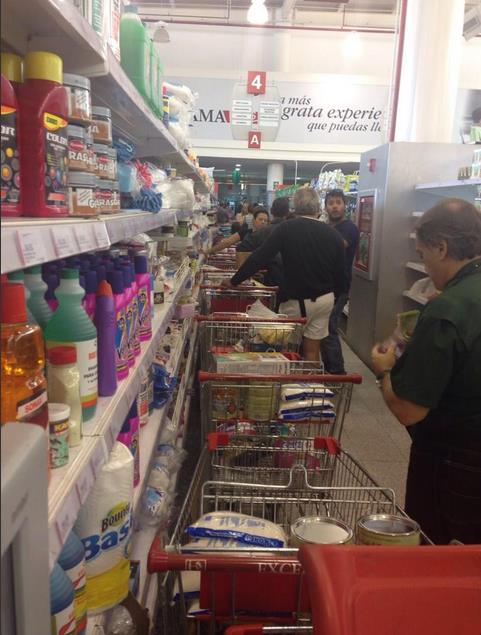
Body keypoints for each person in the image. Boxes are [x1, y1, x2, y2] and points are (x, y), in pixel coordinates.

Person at [371, 198, 481, 544]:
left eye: (423, 255)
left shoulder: (448, 310)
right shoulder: (456, 299)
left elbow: (408, 409)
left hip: (454, 467)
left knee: (439, 553)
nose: (426, 265)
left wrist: (385, 371)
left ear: (442, 247)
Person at [226, 188, 345, 362]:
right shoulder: (333, 235)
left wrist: (234, 281)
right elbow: (341, 274)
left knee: (287, 350)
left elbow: (260, 257)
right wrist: (335, 297)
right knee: (312, 350)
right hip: (324, 300)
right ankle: (309, 385)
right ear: (319, 207)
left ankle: (288, 385)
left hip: (295, 300)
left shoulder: (286, 229)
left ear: (295, 207)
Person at [320, 189, 360, 374]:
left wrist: (318, 233)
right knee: (324, 328)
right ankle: (329, 368)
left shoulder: (349, 228)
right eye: (331, 203)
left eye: (338, 202)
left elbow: (338, 245)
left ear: (344, 205)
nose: (335, 206)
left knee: (329, 328)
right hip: (324, 285)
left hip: (339, 286)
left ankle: (336, 372)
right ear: (325, 206)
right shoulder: (328, 226)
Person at [235, 197, 290, 288]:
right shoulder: (295, 232)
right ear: (287, 213)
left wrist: (237, 280)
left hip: (269, 283)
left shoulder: (260, 233)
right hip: (292, 287)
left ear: (271, 211)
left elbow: (241, 251)